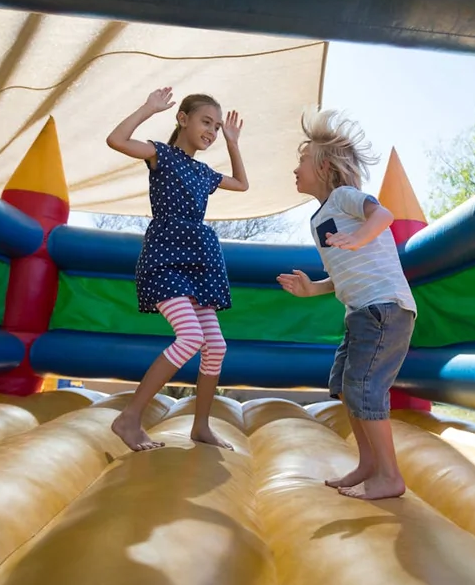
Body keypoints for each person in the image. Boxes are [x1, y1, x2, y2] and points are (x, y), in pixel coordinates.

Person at [277, 109, 416, 500]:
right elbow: (340, 277)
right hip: (360, 312)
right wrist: (312, 289)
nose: (295, 168)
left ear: (323, 167)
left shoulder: (344, 198)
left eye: (302, 160)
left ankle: (390, 475)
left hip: (384, 309)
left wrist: (360, 237)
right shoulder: (320, 218)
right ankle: (368, 463)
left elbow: (383, 214)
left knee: (364, 387)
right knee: (344, 385)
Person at [106, 87, 248, 452]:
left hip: (199, 261)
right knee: (190, 338)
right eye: (206, 122)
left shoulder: (204, 172)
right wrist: (147, 108)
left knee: (215, 345)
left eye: (217, 127)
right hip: (167, 255)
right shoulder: (161, 154)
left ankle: (201, 426)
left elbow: (242, 184)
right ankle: (129, 418)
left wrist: (233, 142)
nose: (212, 131)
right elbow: (116, 140)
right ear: (182, 120)